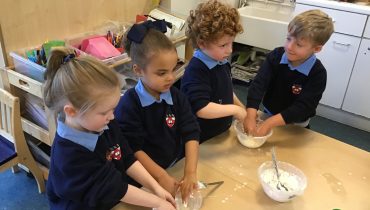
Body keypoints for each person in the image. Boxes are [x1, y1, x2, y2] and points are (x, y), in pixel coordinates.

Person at [43, 47, 176, 210]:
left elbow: (126, 157)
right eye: (104, 112)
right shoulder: (70, 155)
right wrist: (157, 202)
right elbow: (114, 188)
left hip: (110, 199)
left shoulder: (103, 122)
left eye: (113, 109)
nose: (112, 117)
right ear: (71, 111)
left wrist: (156, 188)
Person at [114, 20, 200, 202]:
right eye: (162, 73)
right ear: (138, 70)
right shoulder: (130, 105)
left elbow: (191, 130)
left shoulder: (176, 96)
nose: (171, 77)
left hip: (172, 167)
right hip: (144, 180)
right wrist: (160, 177)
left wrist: (190, 172)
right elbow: (133, 149)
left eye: (173, 69)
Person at [244, 9, 334, 137]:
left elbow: (304, 107)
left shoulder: (317, 73)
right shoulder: (275, 56)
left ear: (317, 48)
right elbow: (258, 85)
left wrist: (270, 123)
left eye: (299, 44)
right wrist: (251, 115)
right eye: (288, 39)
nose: (289, 47)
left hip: (297, 125)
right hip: (268, 114)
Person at [181, 0, 246, 143]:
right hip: (203, 138)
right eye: (223, 45)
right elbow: (202, 108)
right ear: (202, 43)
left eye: (231, 43)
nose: (230, 50)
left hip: (220, 133)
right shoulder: (196, 70)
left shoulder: (220, 61)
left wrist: (241, 108)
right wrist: (235, 111)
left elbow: (226, 90)